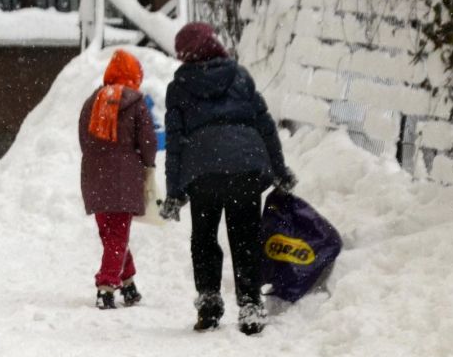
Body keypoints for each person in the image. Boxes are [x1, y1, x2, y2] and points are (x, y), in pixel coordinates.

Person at [159, 23, 296, 335]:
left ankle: (209, 302)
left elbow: (176, 143)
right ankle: (250, 305)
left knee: (204, 237)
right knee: (245, 237)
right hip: (245, 169)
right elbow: (266, 126)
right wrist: (280, 169)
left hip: (202, 172)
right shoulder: (240, 76)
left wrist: (174, 192)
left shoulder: (179, 87)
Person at [79, 49, 157, 310]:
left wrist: (98, 161)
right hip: (123, 177)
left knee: (110, 233)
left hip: (94, 175)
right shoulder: (135, 101)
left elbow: (84, 137)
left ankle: (129, 284)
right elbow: (147, 140)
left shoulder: (93, 101)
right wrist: (147, 165)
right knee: (117, 235)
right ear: (133, 75)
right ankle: (106, 286)